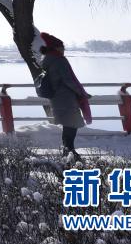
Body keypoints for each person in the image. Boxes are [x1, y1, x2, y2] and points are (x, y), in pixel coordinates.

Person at [40, 32, 93, 162]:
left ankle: (68, 151)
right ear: (56, 48)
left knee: (68, 125)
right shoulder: (59, 60)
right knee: (72, 125)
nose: (64, 50)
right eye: (62, 47)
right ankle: (70, 152)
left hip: (57, 99)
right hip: (67, 99)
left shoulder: (48, 60)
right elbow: (69, 80)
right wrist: (82, 93)